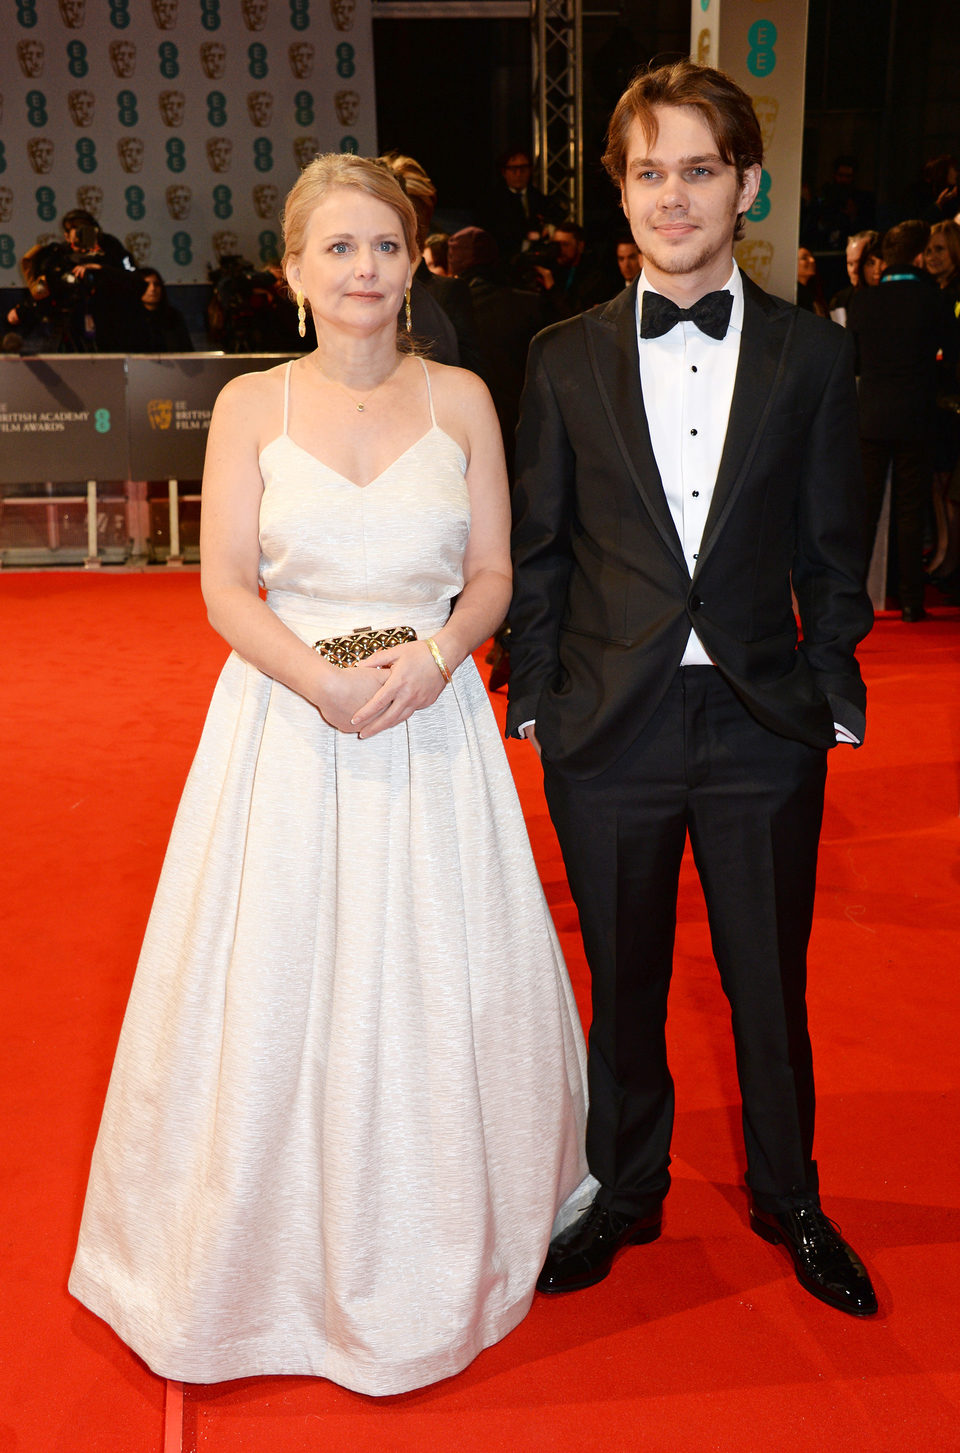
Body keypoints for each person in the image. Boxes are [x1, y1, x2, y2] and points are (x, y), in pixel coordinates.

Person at [69, 154, 588, 1396]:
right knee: (271, 981)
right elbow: (224, 585)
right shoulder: (253, 403)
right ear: (294, 270)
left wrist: (442, 653)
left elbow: (498, 576)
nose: (366, 271)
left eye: (387, 247)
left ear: (415, 263)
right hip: (286, 734)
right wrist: (319, 678)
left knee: (432, 972)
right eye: (339, 249)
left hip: (431, 721)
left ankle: (450, 1227)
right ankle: (254, 1253)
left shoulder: (463, 396)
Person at [507, 59, 879, 1317]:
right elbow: (539, 545)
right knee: (624, 978)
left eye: (701, 170)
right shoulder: (559, 358)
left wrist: (828, 686)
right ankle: (624, 1190)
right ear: (620, 190)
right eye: (650, 171)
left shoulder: (812, 357)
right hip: (608, 724)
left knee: (769, 979)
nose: (675, 197)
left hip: (764, 724)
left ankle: (791, 1195)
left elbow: (837, 547)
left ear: (748, 185)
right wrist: (543, 693)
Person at [847, 219, 958, 620]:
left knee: (864, 510)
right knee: (912, 510)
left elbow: (853, 363)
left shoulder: (864, 301)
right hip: (917, 415)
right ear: (916, 255)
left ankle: (849, 601)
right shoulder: (935, 301)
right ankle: (911, 600)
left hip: (871, 415)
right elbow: (954, 360)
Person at [134, 268, 194, 352]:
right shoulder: (131, 318)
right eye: (146, 285)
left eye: (156, 284)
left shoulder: (173, 316)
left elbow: (186, 350)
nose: (152, 289)